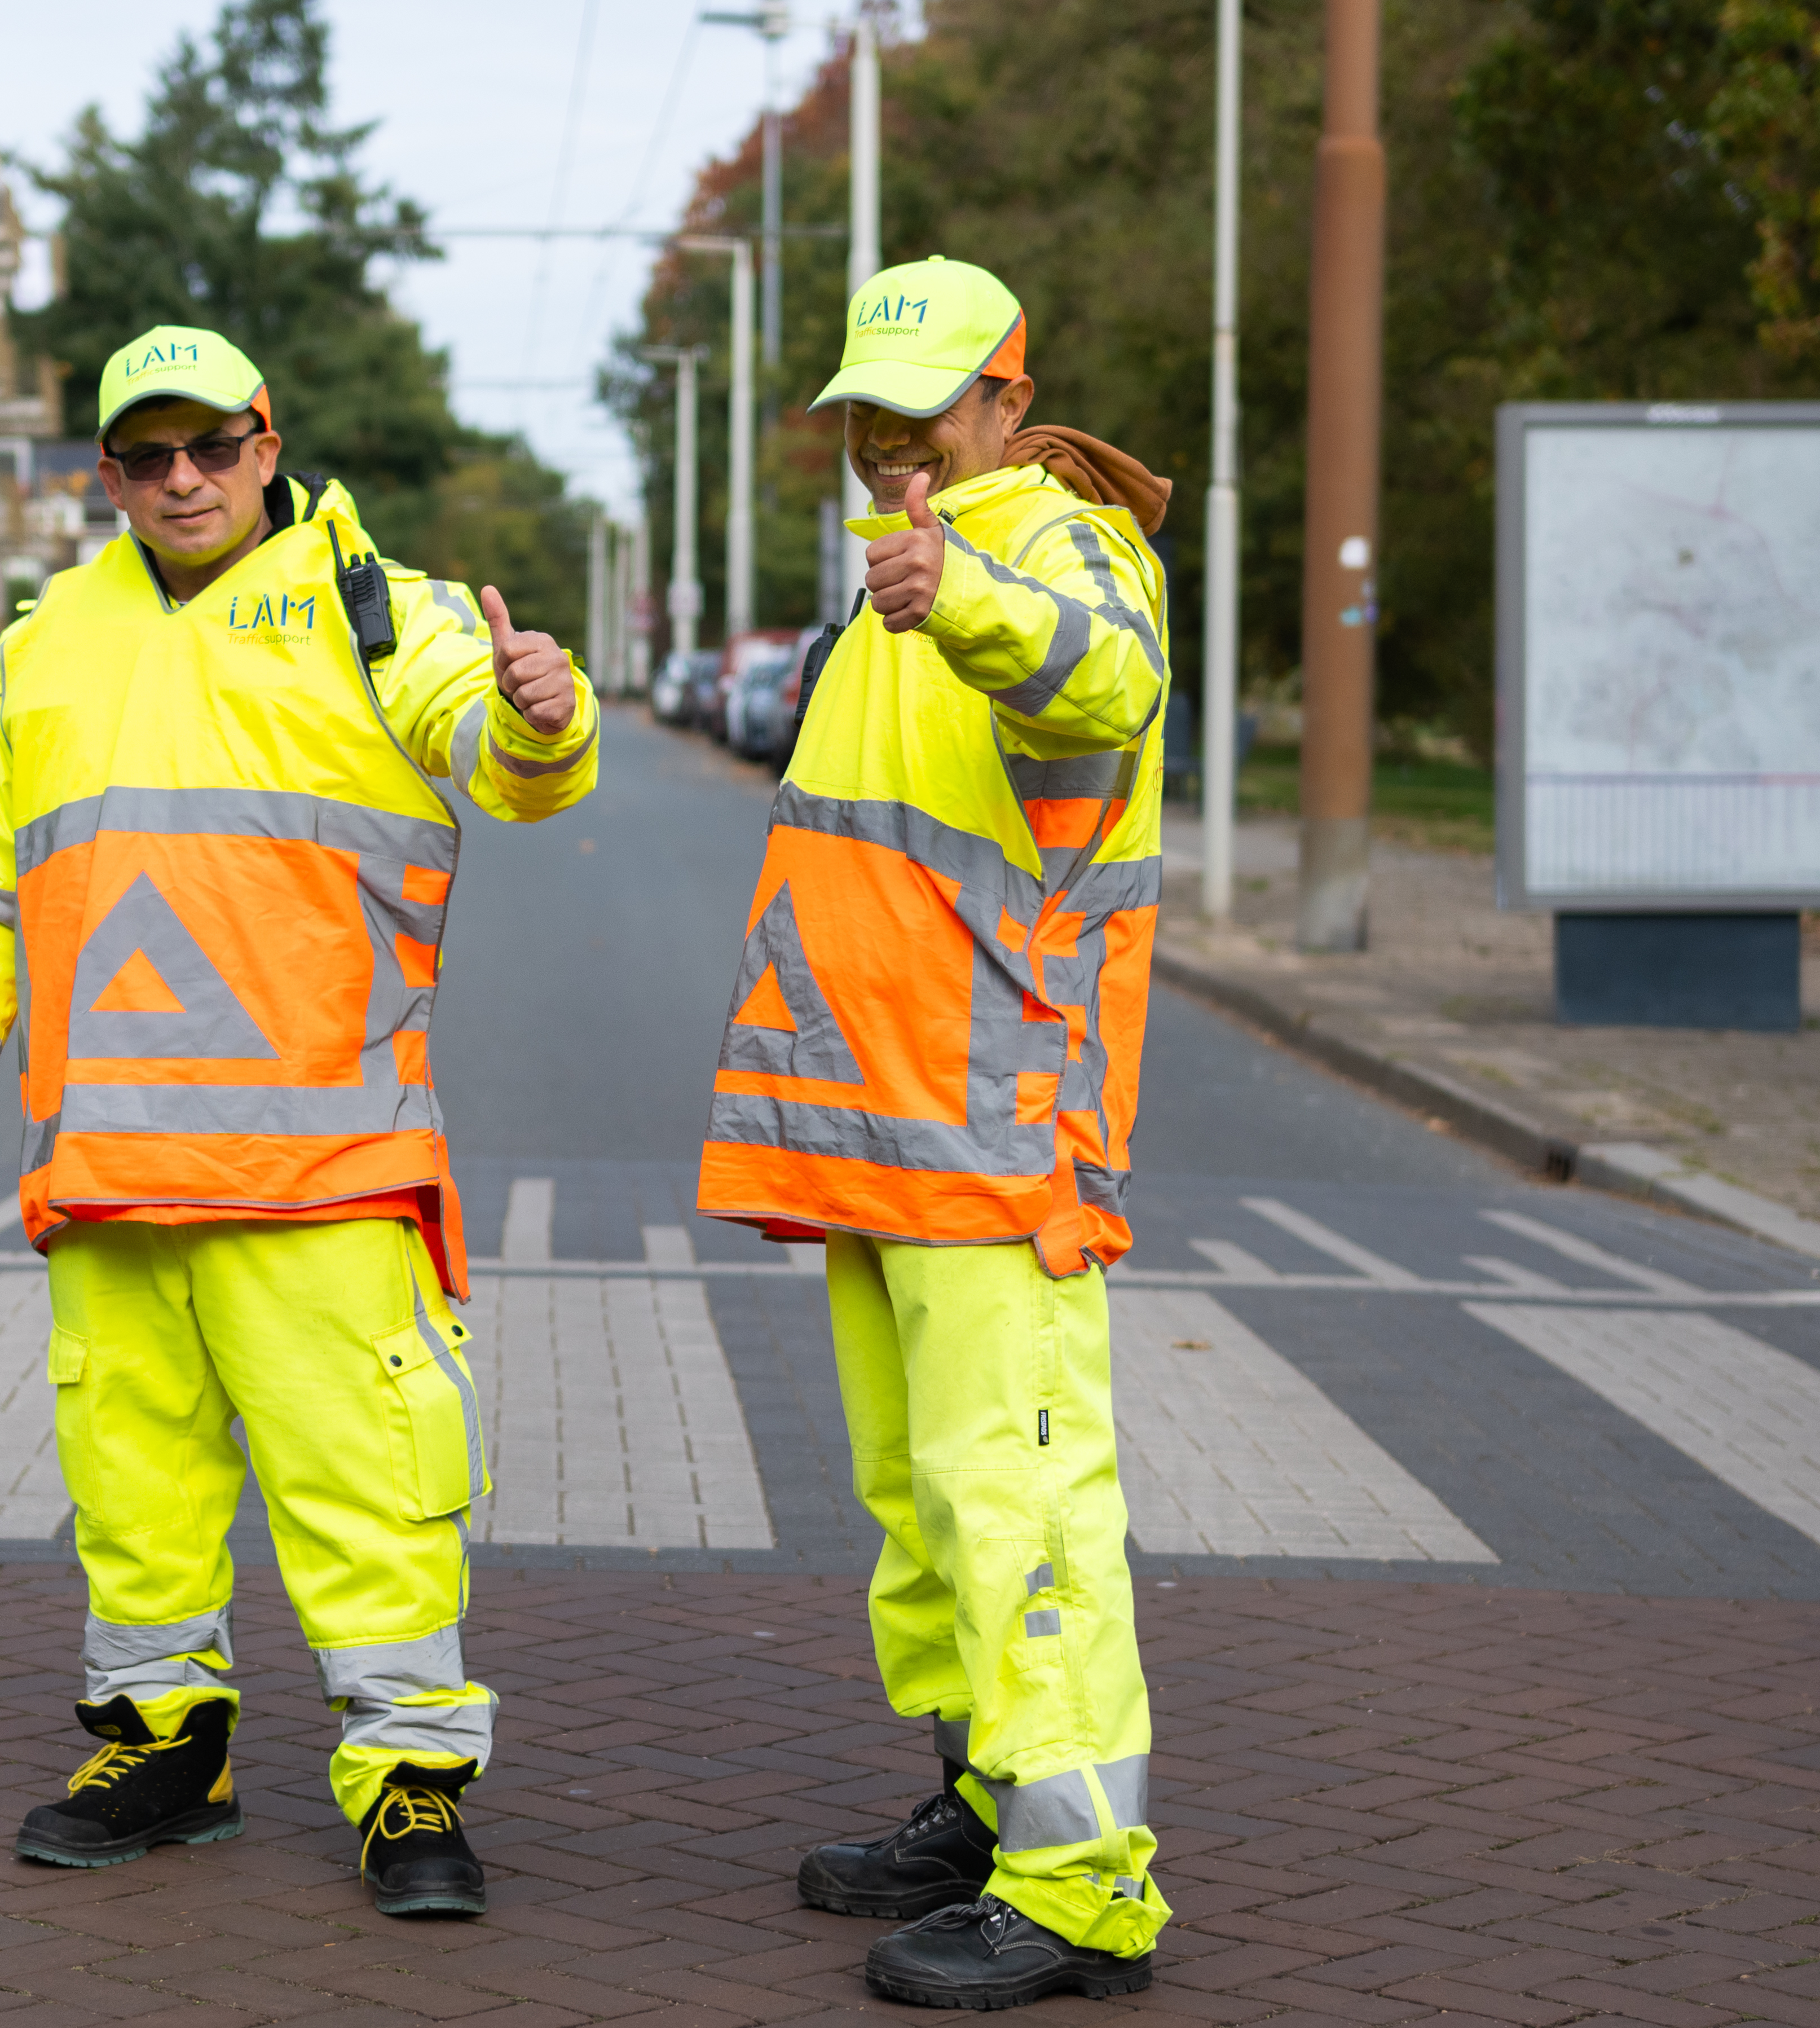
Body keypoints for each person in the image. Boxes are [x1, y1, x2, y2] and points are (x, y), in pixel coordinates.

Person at [0, 323, 599, 1919]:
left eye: (212, 446)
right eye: (147, 455)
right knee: (132, 1487)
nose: (181, 478)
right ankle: (160, 1746)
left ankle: (409, 1781)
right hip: (110, 1165)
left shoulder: (379, 610)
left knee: (367, 1488)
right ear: (107, 471)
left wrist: (544, 715)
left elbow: (503, 758)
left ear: (270, 446)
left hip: (325, 1161)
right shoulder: (46, 638)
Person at [696, 258, 1173, 2007]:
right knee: (925, 1507)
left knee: (1021, 1500)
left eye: (921, 418)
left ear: (1001, 396)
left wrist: (965, 593)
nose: (892, 453)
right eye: (866, 424)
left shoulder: (1053, 539)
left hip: (996, 1134)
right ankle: (989, 1803)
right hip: (890, 1133)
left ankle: (1080, 1886)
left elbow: (1101, 682)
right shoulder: (907, 567)